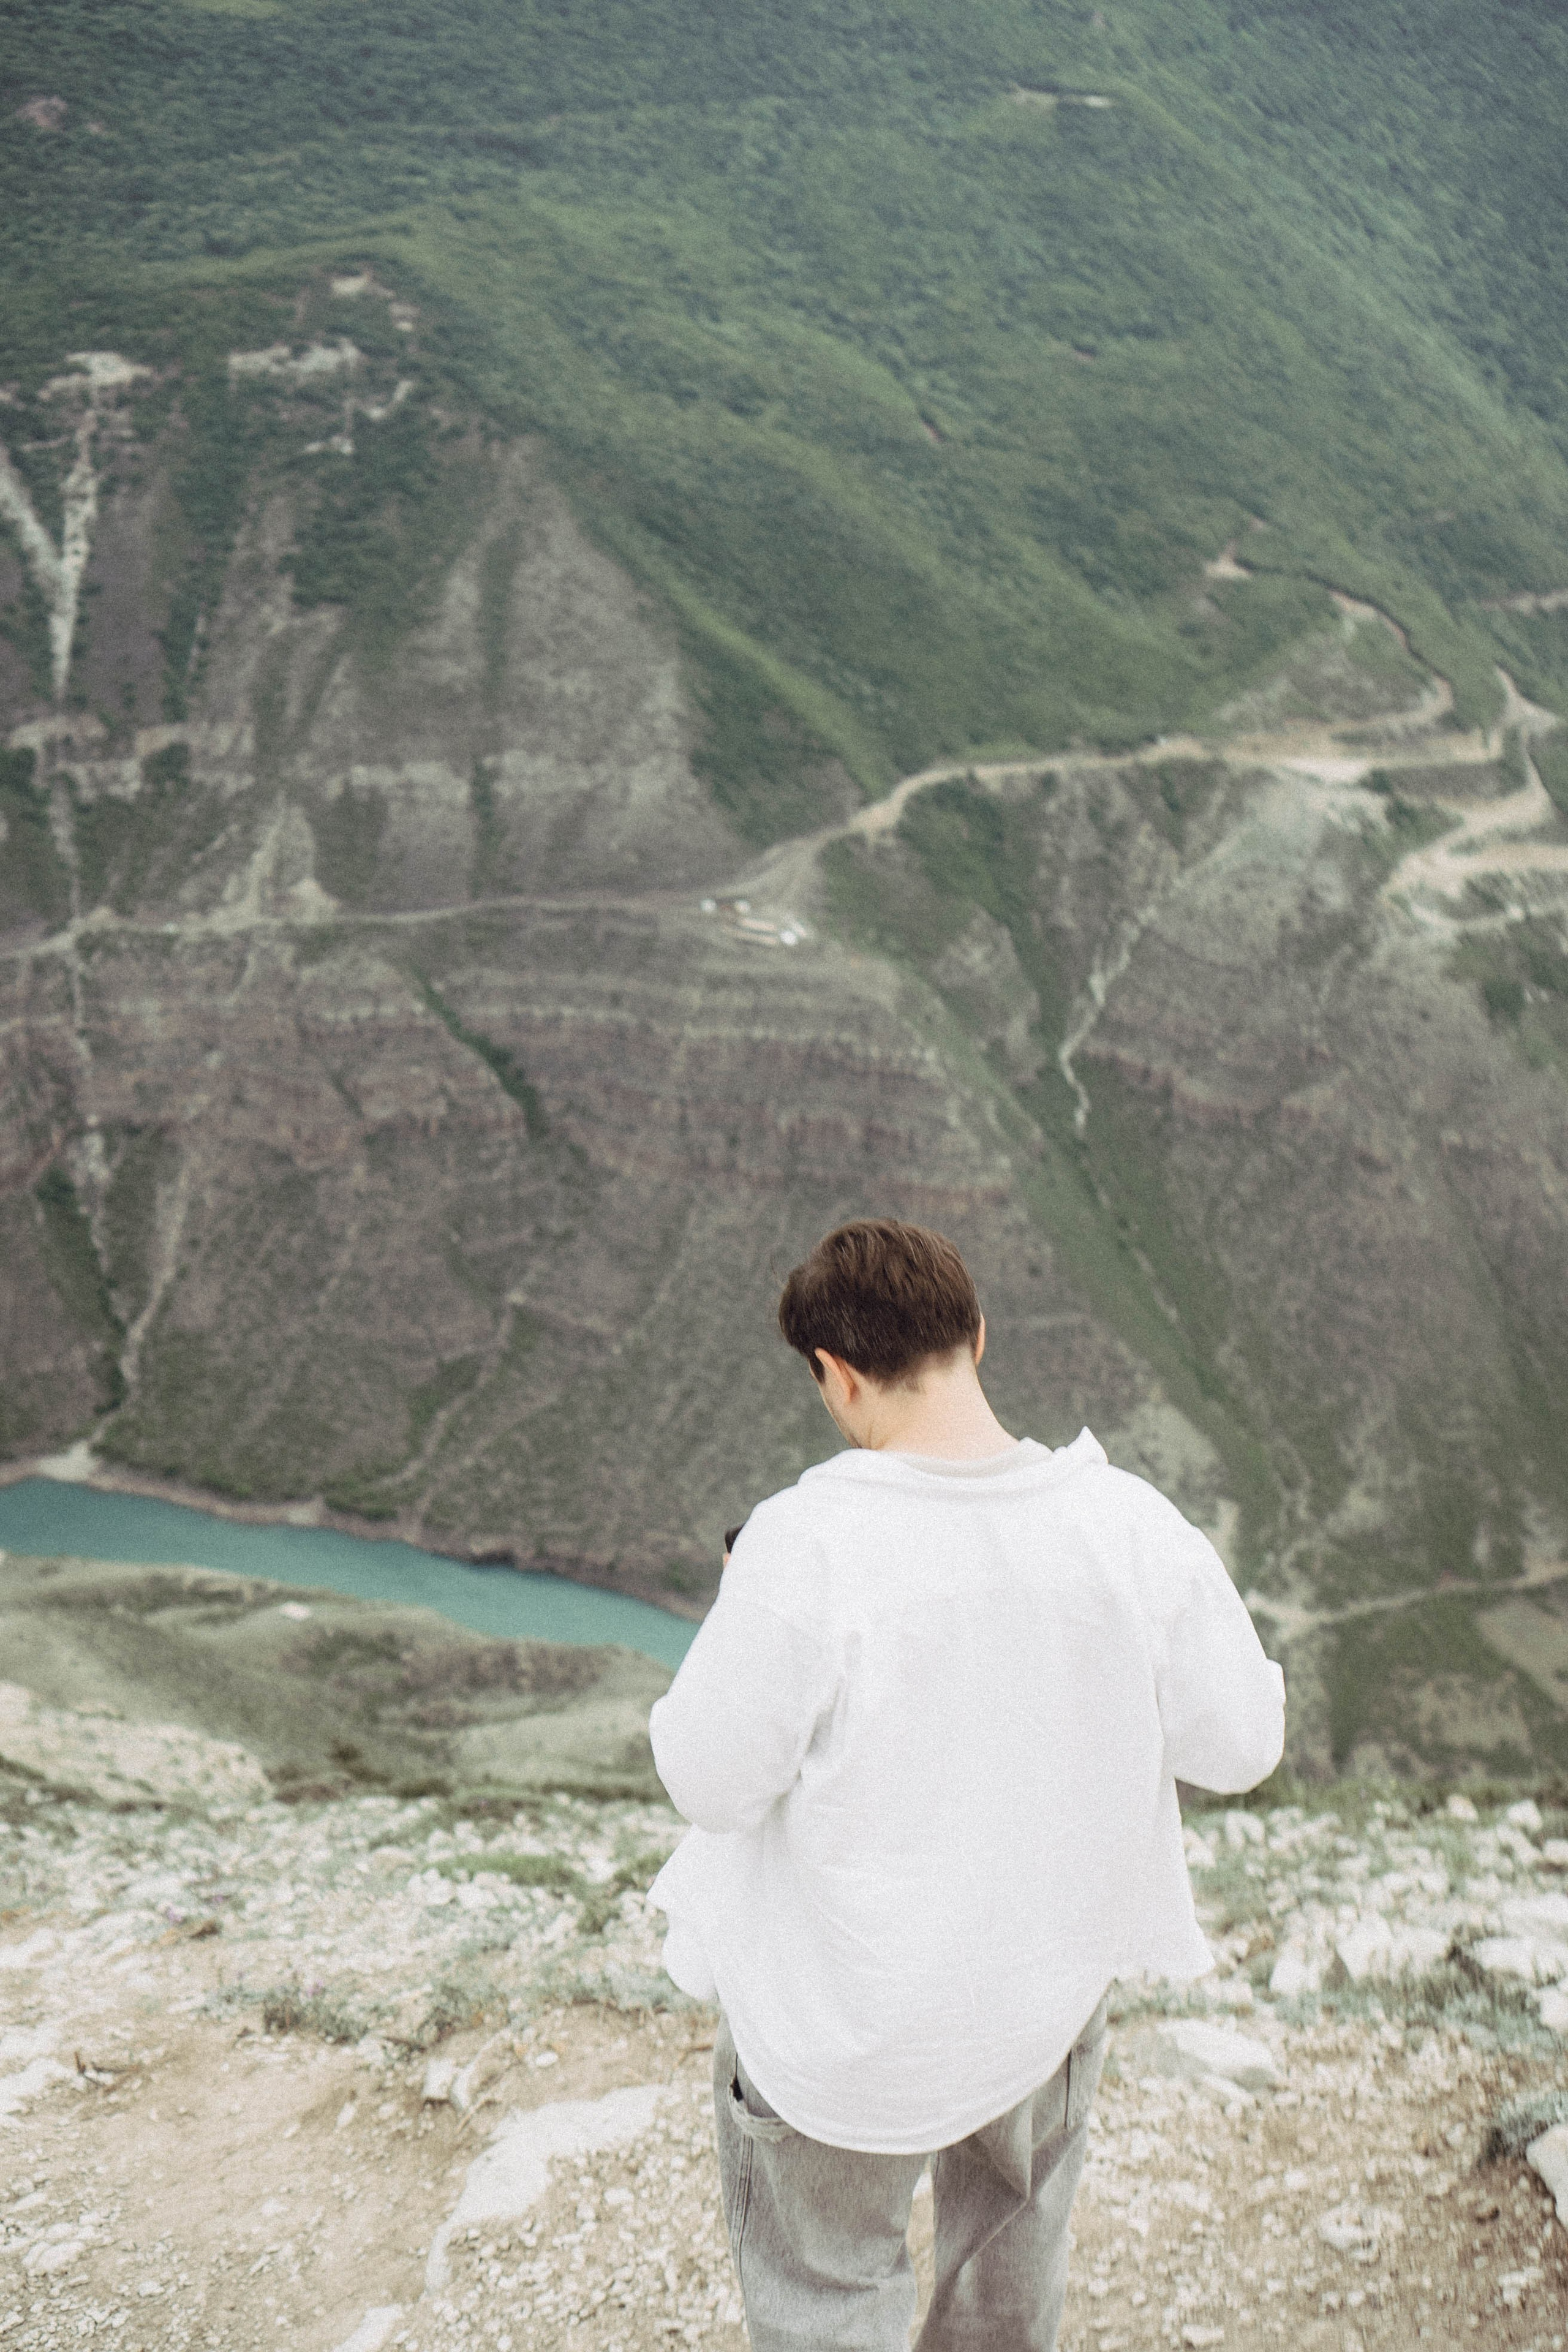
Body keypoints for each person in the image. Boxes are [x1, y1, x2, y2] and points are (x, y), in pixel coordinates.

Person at [646, 1217, 1285, 2352]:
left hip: (845, 2030)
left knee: (828, 2289)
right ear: (977, 1336)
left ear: (837, 1375)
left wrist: (743, 1604)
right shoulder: (1130, 1524)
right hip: (1039, 2004)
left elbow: (709, 1783)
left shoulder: (804, 1543)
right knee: (1006, 2286)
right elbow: (1242, 1747)